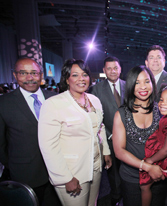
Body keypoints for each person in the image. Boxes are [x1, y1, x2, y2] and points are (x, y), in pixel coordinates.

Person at [38, 59, 112, 206]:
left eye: (85, 74)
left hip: (95, 166)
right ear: (67, 78)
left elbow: (100, 126)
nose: (81, 79)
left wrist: (106, 152)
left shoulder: (94, 100)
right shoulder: (53, 104)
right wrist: (65, 178)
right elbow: (48, 146)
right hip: (73, 172)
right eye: (75, 75)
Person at [0, 58, 60, 205]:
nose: (29, 78)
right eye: (23, 73)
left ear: (41, 75)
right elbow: (1, 143)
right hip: (25, 174)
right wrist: (14, 165)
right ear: (15, 75)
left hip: (58, 172)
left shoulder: (55, 99)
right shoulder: (4, 103)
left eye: (34, 73)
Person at [113, 65, 167, 206]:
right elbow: (119, 151)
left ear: (152, 83)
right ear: (131, 86)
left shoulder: (162, 111)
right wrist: (147, 167)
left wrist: (156, 169)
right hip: (132, 178)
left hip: (158, 176)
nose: (143, 87)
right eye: (137, 83)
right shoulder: (121, 114)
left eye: (146, 81)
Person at [89, 56, 125, 206]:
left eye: (115, 68)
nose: (113, 71)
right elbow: (96, 117)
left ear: (120, 69)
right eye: (109, 68)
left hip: (130, 137)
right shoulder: (96, 89)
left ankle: (128, 195)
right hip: (108, 137)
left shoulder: (128, 85)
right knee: (113, 171)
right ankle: (116, 196)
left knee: (129, 169)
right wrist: (110, 134)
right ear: (104, 71)